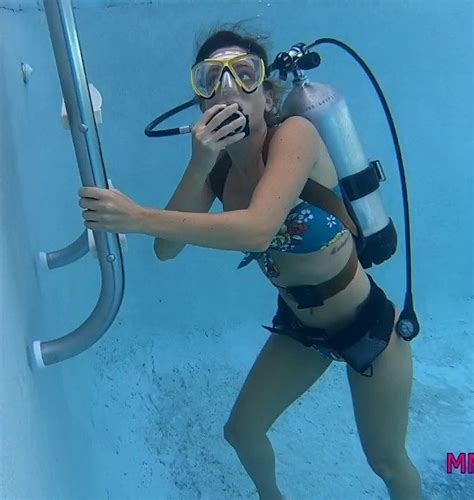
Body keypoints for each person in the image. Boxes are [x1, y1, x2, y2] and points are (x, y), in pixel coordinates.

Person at [78, 26, 422, 500]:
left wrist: (137, 216)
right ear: (199, 102)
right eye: (208, 79)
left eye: (244, 74)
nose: (226, 88)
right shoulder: (216, 167)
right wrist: (199, 163)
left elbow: (258, 227)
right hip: (301, 330)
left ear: (267, 97)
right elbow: (166, 248)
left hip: (367, 325)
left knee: (387, 461)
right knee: (241, 432)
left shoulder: (295, 134)